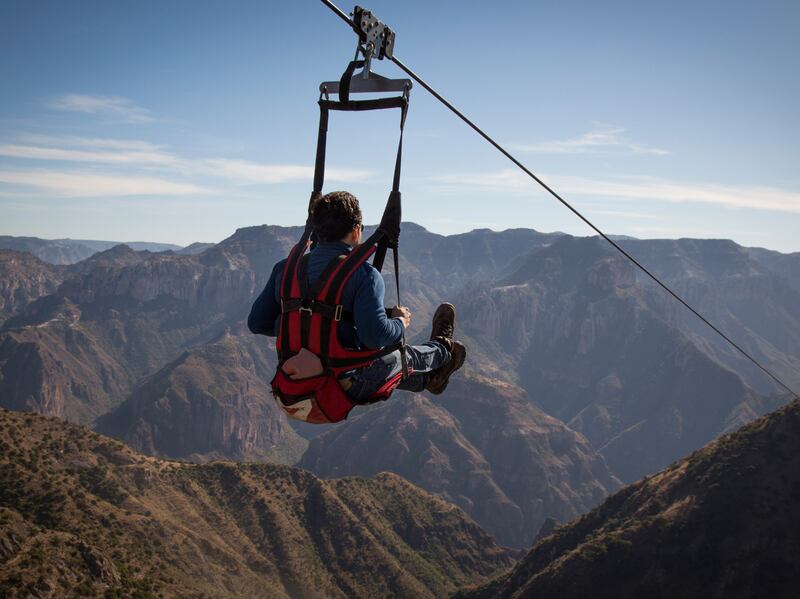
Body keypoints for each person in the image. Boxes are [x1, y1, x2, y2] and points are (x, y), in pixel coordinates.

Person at [248, 190, 466, 403]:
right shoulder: (365, 275)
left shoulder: (284, 269)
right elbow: (375, 336)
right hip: (344, 383)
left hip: (293, 379)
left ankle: (431, 378)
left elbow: (257, 323)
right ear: (356, 231)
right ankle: (443, 349)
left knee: (387, 366)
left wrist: (299, 324)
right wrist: (400, 322)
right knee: (399, 358)